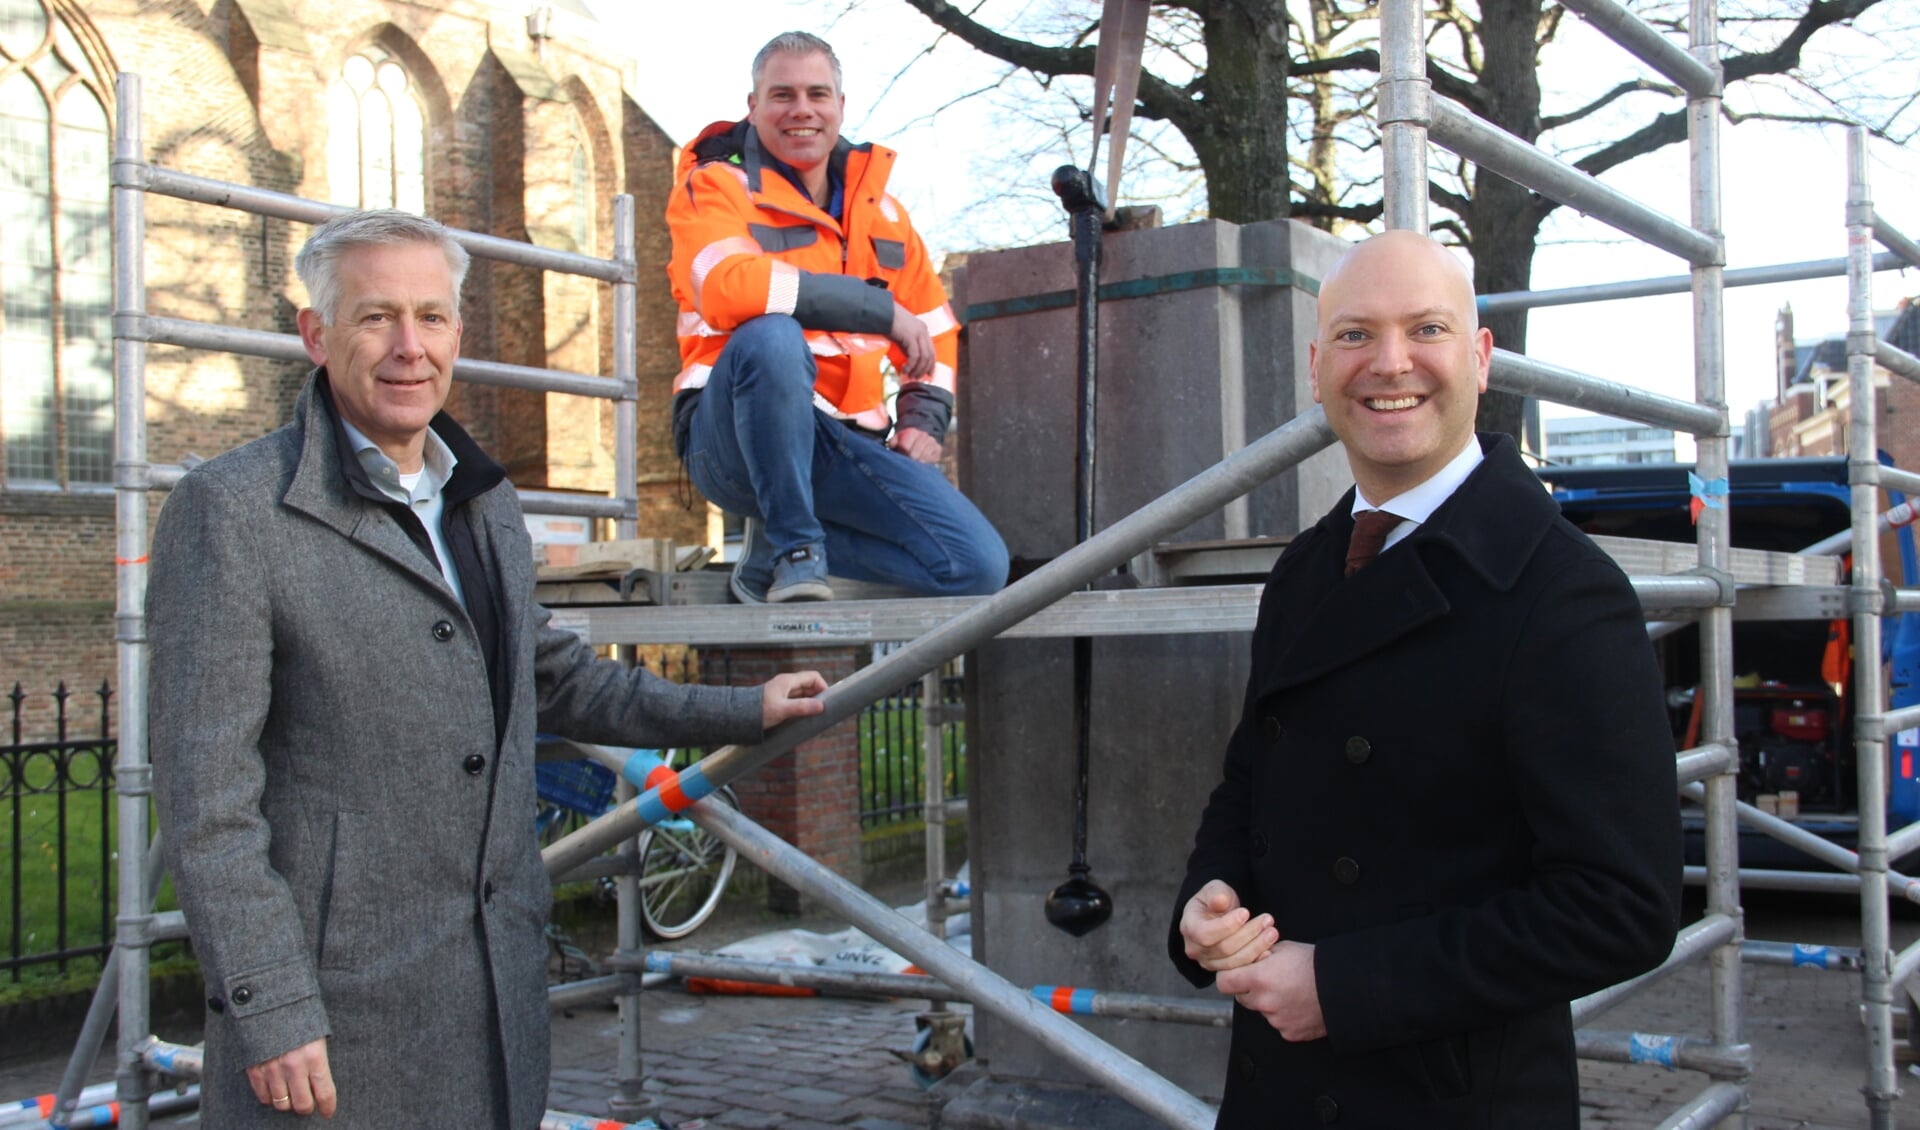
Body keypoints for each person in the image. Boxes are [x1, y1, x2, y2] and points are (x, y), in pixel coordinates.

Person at [147, 209, 829, 1127]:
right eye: (374, 316)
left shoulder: (483, 498)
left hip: (495, 997)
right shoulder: (231, 513)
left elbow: (557, 677)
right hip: (337, 1021)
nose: (407, 347)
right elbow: (207, 802)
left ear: (459, 334)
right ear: (316, 334)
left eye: (431, 317)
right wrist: (270, 1008)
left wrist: (746, 708)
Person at [1167, 230, 1682, 1128]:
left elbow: (1622, 907)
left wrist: (1343, 986)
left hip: (1450, 1099)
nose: (1391, 363)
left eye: (1428, 329)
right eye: (1358, 335)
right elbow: (1251, 780)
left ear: (1479, 358)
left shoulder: (1562, 589)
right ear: (1318, 364)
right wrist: (1209, 903)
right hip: (1274, 1088)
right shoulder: (1305, 569)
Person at [665, 31, 1009, 604]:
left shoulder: (885, 216)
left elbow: (936, 328)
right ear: (752, 107)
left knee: (976, 566)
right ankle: (796, 550)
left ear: (841, 106)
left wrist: (923, 415)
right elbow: (728, 288)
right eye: (782, 95)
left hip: (841, 444)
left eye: (817, 94)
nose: (802, 110)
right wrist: (877, 309)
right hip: (731, 438)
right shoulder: (714, 187)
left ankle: (777, 545)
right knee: (771, 336)